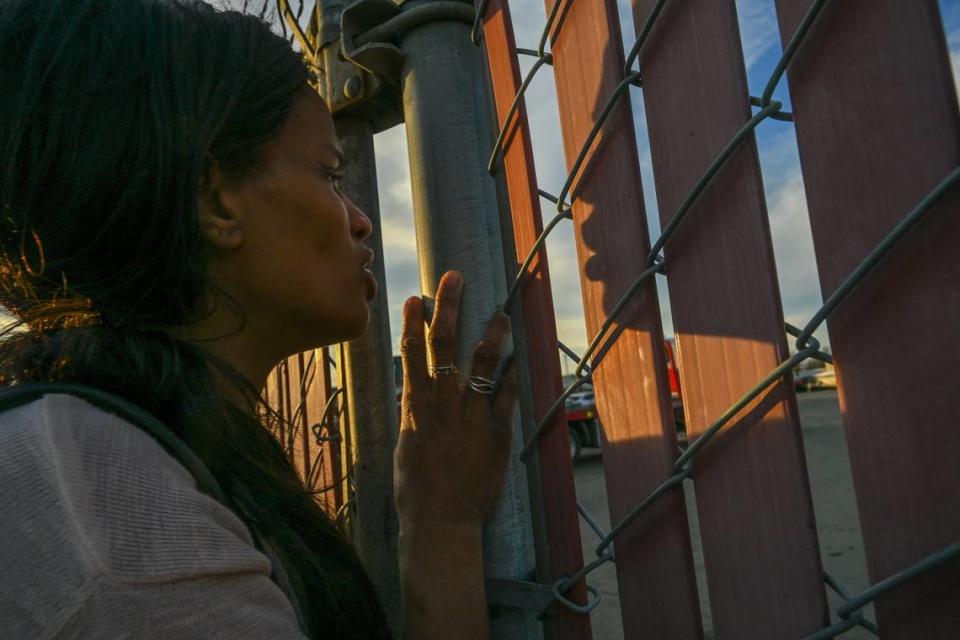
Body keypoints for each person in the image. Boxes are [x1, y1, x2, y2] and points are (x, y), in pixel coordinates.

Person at [0, 1, 518, 638]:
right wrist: (446, 527)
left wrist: (437, 515)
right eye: (328, 173)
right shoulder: (116, 529)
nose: (359, 218)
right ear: (215, 201)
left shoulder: (109, 443)